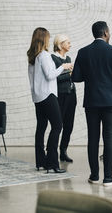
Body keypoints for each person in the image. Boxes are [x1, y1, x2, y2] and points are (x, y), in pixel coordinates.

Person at [71, 21, 112, 187]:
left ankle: (94, 175)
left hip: (91, 101)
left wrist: (91, 75)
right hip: (111, 101)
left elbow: (76, 77)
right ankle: (108, 177)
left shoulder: (83, 52)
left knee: (93, 138)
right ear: (106, 33)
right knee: (109, 137)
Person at [27, 27, 72, 173]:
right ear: (44, 39)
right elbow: (50, 75)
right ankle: (52, 164)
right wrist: (63, 67)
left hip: (38, 97)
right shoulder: (45, 56)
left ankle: (41, 162)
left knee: (41, 128)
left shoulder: (32, 57)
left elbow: (33, 79)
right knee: (57, 126)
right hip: (48, 95)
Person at [51, 34, 77, 163]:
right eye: (68, 42)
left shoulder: (68, 58)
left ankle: (63, 151)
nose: (70, 45)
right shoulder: (53, 58)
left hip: (71, 95)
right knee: (58, 124)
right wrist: (69, 74)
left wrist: (73, 74)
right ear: (60, 44)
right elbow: (54, 78)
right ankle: (52, 151)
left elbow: (71, 76)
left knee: (69, 125)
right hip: (60, 95)